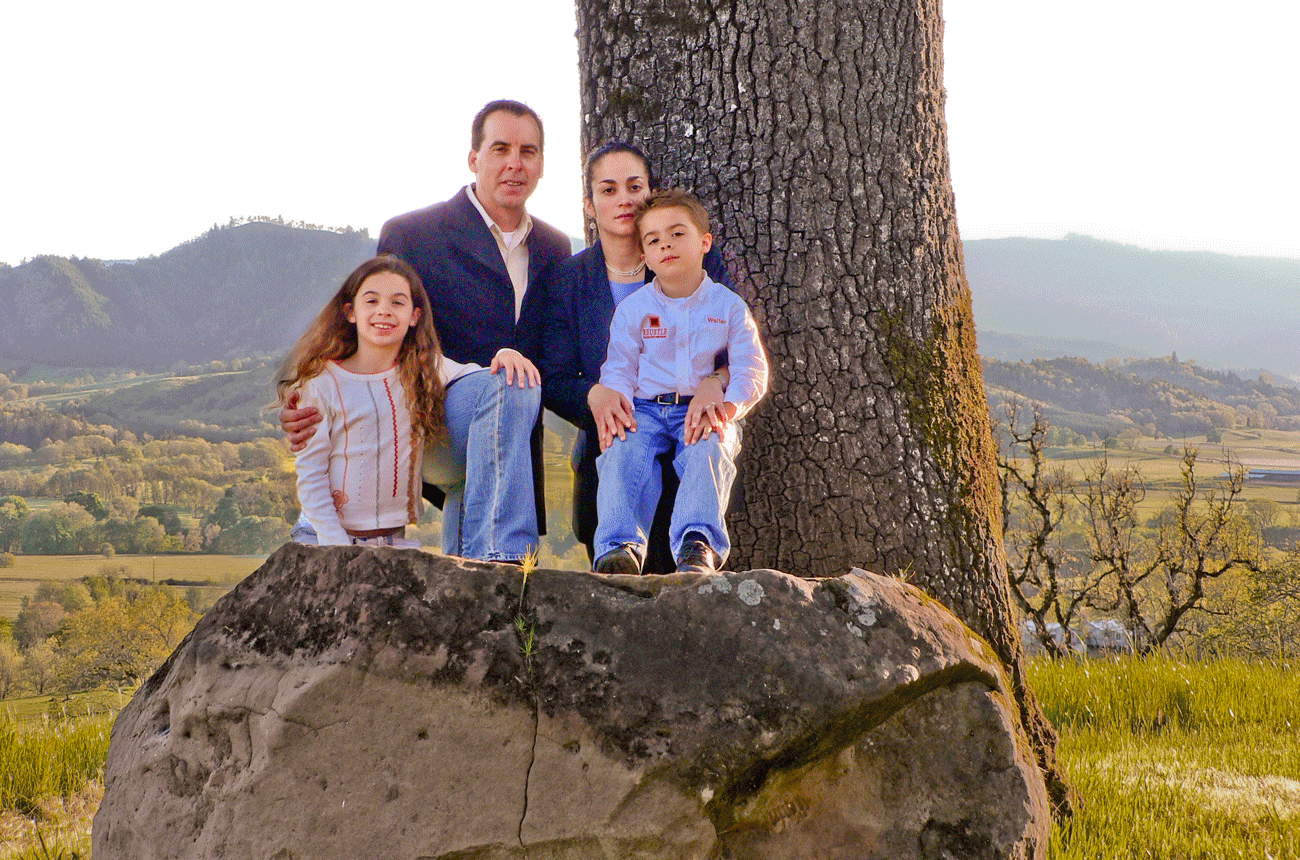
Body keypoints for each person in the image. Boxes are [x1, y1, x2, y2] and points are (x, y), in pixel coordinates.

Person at [282, 100, 571, 563]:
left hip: (504, 433)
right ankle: (500, 564)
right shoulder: (414, 234)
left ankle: (479, 571)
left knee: (511, 388)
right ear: (474, 158)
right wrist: (309, 398)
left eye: (528, 151)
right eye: (500, 149)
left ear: (541, 165)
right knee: (506, 386)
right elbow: (373, 327)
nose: (515, 163)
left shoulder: (554, 248)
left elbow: (553, 358)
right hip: (417, 418)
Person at [539, 142, 732, 570]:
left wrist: (716, 380)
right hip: (613, 459)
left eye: (634, 186)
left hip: (694, 450)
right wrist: (594, 395)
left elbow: (737, 341)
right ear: (590, 205)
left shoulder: (694, 261)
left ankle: (698, 542)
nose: (623, 199)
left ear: (651, 192)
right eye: (608, 190)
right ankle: (619, 545)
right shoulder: (568, 280)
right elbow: (553, 376)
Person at [591, 189, 769, 575]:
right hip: (644, 409)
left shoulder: (728, 306)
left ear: (704, 242)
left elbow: (751, 369)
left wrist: (728, 408)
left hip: (702, 409)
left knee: (710, 448)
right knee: (622, 453)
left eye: (677, 234)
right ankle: (618, 547)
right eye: (653, 240)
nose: (666, 245)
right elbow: (619, 368)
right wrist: (616, 406)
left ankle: (697, 544)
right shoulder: (634, 309)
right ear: (644, 255)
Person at [278, 255, 462, 547]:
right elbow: (311, 476)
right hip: (324, 538)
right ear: (351, 312)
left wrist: (506, 354)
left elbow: (473, 377)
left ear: (414, 316)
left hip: (391, 542)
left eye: (397, 302)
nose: (384, 311)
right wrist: (337, 548)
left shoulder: (425, 370)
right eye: (372, 301)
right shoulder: (322, 383)